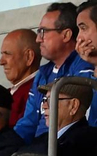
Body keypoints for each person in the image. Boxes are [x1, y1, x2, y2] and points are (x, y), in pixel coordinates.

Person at [16, 2, 96, 141]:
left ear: (66, 35)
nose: (37, 39)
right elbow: (27, 124)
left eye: (43, 32)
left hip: (68, 148)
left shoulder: (85, 65)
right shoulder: (42, 73)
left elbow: (91, 119)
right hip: (40, 149)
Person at [3, 28, 42, 124]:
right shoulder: (8, 92)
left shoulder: (36, 92)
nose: (1, 62)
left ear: (28, 57)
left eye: (7, 54)